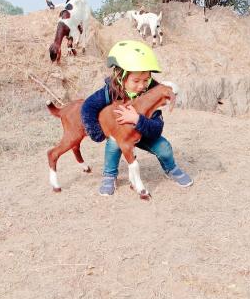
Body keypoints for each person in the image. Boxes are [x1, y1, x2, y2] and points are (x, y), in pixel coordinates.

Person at [81, 40, 193, 196]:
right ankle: (109, 174)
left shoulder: (153, 94)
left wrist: (137, 120)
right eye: (136, 80)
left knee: (164, 147)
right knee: (113, 144)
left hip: (144, 133)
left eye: (146, 80)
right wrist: (97, 132)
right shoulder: (110, 91)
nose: (142, 85)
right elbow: (88, 106)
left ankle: (171, 168)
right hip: (122, 135)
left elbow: (157, 128)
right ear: (120, 76)